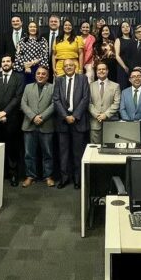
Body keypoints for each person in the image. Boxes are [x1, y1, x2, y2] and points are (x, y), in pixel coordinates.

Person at [53, 58, 90, 189]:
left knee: (77, 152)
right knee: (63, 153)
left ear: (75, 67)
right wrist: (65, 116)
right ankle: (64, 178)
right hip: (63, 121)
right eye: (66, 66)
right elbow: (56, 99)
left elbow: (86, 98)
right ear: (63, 68)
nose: (68, 67)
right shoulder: (59, 80)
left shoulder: (83, 79)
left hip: (78, 121)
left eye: (71, 65)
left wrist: (74, 116)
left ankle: (77, 179)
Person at [0, 55, 25, 186]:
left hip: (12, 118)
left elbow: (18, 97)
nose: (5, 63)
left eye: (8, 61)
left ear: (12, 63)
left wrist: (5, 112)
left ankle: (13, 175)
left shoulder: (19, 77)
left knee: (12, 148)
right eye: (3, 61)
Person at [20, 66, 56, 188]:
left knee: (48, 153)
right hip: (29, 125)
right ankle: (30, 176)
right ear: (35, 75)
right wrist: (33, 117)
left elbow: (54, 104)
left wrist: (42, 117)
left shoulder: (52, 87)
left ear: (47, 76)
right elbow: (23, 103)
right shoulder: (28, 87)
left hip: (46, 125)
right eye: (38, 73)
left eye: (43, 74)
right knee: (29, 154)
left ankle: (48, 176)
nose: (40, 76)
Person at [88, 61, 120, 144]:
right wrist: (97, 115)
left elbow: (116, 103)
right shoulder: (90, 86)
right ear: (96, 72)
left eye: (103, 69)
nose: (101, 71)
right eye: (99, 69)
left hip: (110, 123)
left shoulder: (115, 86)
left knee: (110, 150)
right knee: (94, 150)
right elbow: (88, 103)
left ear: (107, 71)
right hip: (95, 123)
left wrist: (105, 115)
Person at [114, 20, 134, 89]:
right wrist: (124, 67)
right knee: (123, 88)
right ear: (121, 29)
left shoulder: (134, 40)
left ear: (130, 28)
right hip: (122, 68)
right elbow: (117, 55)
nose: (125, 28)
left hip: (132, 67)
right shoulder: (118, 40)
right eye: (123, 27)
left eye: (127, 26)